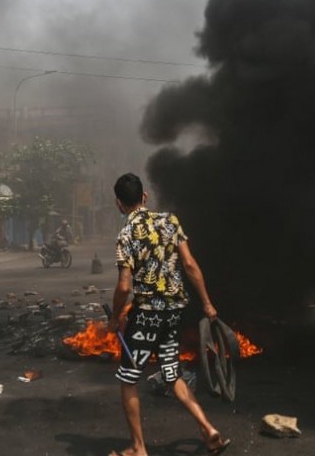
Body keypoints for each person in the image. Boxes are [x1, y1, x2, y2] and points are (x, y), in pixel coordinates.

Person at [107, 173, 230, 456]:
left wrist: (115, 318)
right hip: (174, 313)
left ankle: (138, 448)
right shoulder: (170, 221)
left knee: (128, 379)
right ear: (144, 197)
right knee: (173, 374)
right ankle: (208, 428)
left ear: (118, 204)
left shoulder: (125, 235)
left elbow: (124, 286)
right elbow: (189, 265)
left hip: (146, 316)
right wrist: (207, 303)